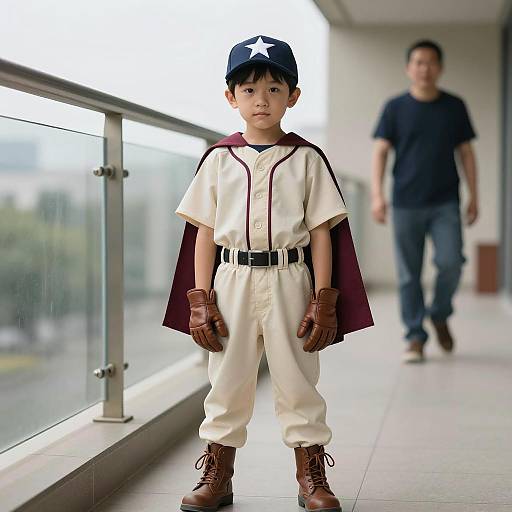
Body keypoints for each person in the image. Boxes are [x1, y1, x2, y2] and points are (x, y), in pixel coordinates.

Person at [162, 34, 373, 512]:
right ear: (230, 96)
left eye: (275, 89)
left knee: (298, 378)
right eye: (250, 89)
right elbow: (205, 232)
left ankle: (310, 476)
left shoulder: (306, 158)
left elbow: (322, 233)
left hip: (290, 279)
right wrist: (200, 298)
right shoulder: (219, 159)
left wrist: (325, 299)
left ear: (293, 96)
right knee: (227, 379)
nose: (262, 100)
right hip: (231, 280)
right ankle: (218, 473)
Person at [371, 39, 479, 364]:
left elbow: (467, 153)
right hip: (405, 202)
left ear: (440, 68)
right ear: (409, 68)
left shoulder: (454, 106)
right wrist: (378, 195)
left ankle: (440, 312)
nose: (425, 68)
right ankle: (415, 338)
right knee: (409, 274)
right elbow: (380, 151)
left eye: (431, 62)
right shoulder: (395, 107)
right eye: (418, 62)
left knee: (451, 262)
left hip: (445, 201)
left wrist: (474, 195)